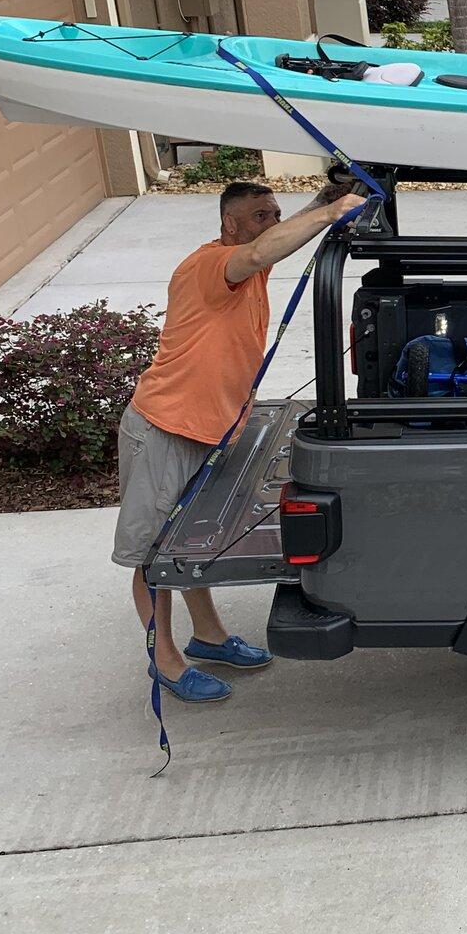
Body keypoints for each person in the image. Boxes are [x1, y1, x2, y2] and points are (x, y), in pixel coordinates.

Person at [113, 178, 362, 702]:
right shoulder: (210, 266)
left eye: (275, 212)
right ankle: (167, 663)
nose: (272, 222)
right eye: (260, 215)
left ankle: (208, 636)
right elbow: (258, 251)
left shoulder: (252, 259)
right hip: (166, 428)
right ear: (231, 224)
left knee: (185, 544)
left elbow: (271, 243)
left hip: (210, 428)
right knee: (154, 553)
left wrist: (324, 198)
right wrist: (331, 213)